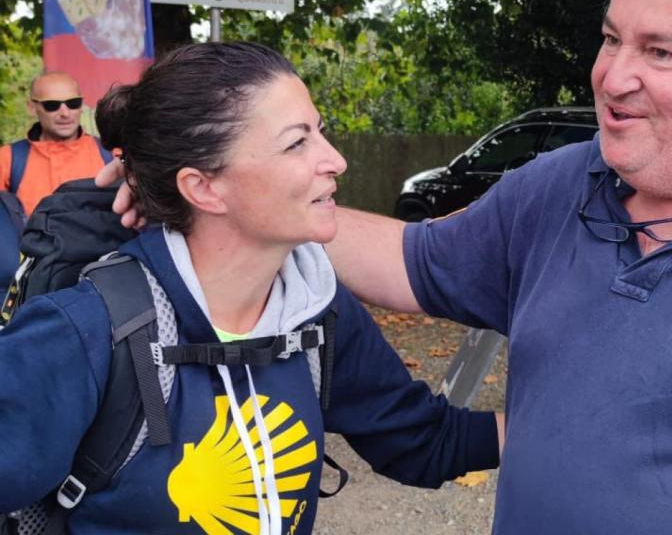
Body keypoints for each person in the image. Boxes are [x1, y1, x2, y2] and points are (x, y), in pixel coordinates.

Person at [102, 0, 672, 534]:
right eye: (610, 37)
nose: (612, 75)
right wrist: (220, 205)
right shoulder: (560, 186)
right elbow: (409, 262)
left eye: (659, 51)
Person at [0, 42, 501, 534]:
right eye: (297, 142)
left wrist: (567, 421)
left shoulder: (315, 310)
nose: (336, 160)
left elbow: (423, 442)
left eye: (320, 132)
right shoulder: (83, 331)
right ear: (203, 188)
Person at [0, 72, 113, 214]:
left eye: (73, 103)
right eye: (52, 105)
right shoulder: (7, 159)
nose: (65, 113)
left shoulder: (111, 155)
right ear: (32, 108)